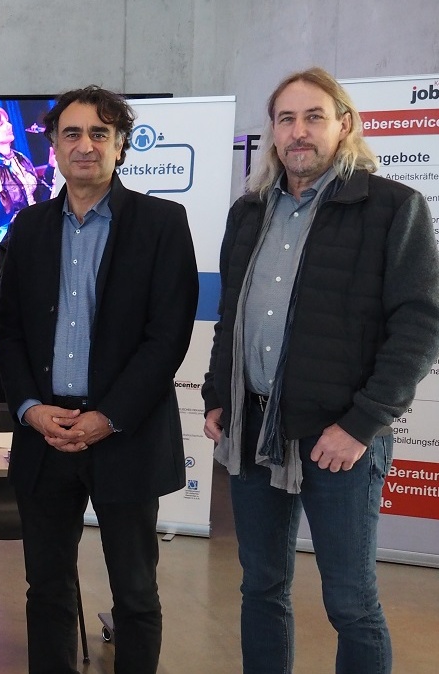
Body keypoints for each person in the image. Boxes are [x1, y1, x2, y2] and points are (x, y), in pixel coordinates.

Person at [202, 67, 439, 674]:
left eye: (313, 117)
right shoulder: (250, 212)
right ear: (272, 132)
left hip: (341, 439)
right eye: (286, 119)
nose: (298, 132)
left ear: (344, 125)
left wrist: (362, 424)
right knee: (261, 589)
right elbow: (233, 312)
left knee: (351, 603)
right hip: (254, 429)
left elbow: (418, 325)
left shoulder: (392, 208)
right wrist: (216, 393)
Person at [0, 86, 198, 674]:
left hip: (124, 436)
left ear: (121, 145)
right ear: (53, 146)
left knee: (135, 593)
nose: (85, 146)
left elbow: (168, 336)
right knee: (47, 591)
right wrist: (29, 406)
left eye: (100, 134)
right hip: (45, 434)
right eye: (73, 134)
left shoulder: (162, 223)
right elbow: (7, 329)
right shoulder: (28, 228)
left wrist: (107, 416)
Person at [0, 105, 41, 251]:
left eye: (7, 121)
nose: (9, 126)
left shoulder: (20, 158)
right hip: (10, 239)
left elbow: (37, 195)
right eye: (1, 124)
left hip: (36, 229)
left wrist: (52, 168)